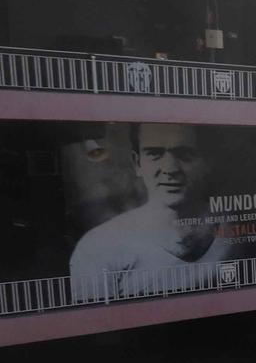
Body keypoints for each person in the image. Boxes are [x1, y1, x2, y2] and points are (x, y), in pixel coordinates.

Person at [69, 123, 240, 298]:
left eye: (184, 154)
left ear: (207, 161)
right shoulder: (97, 247)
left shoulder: (236, 230)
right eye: (154, 154)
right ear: (137, 163)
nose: (170, 169)